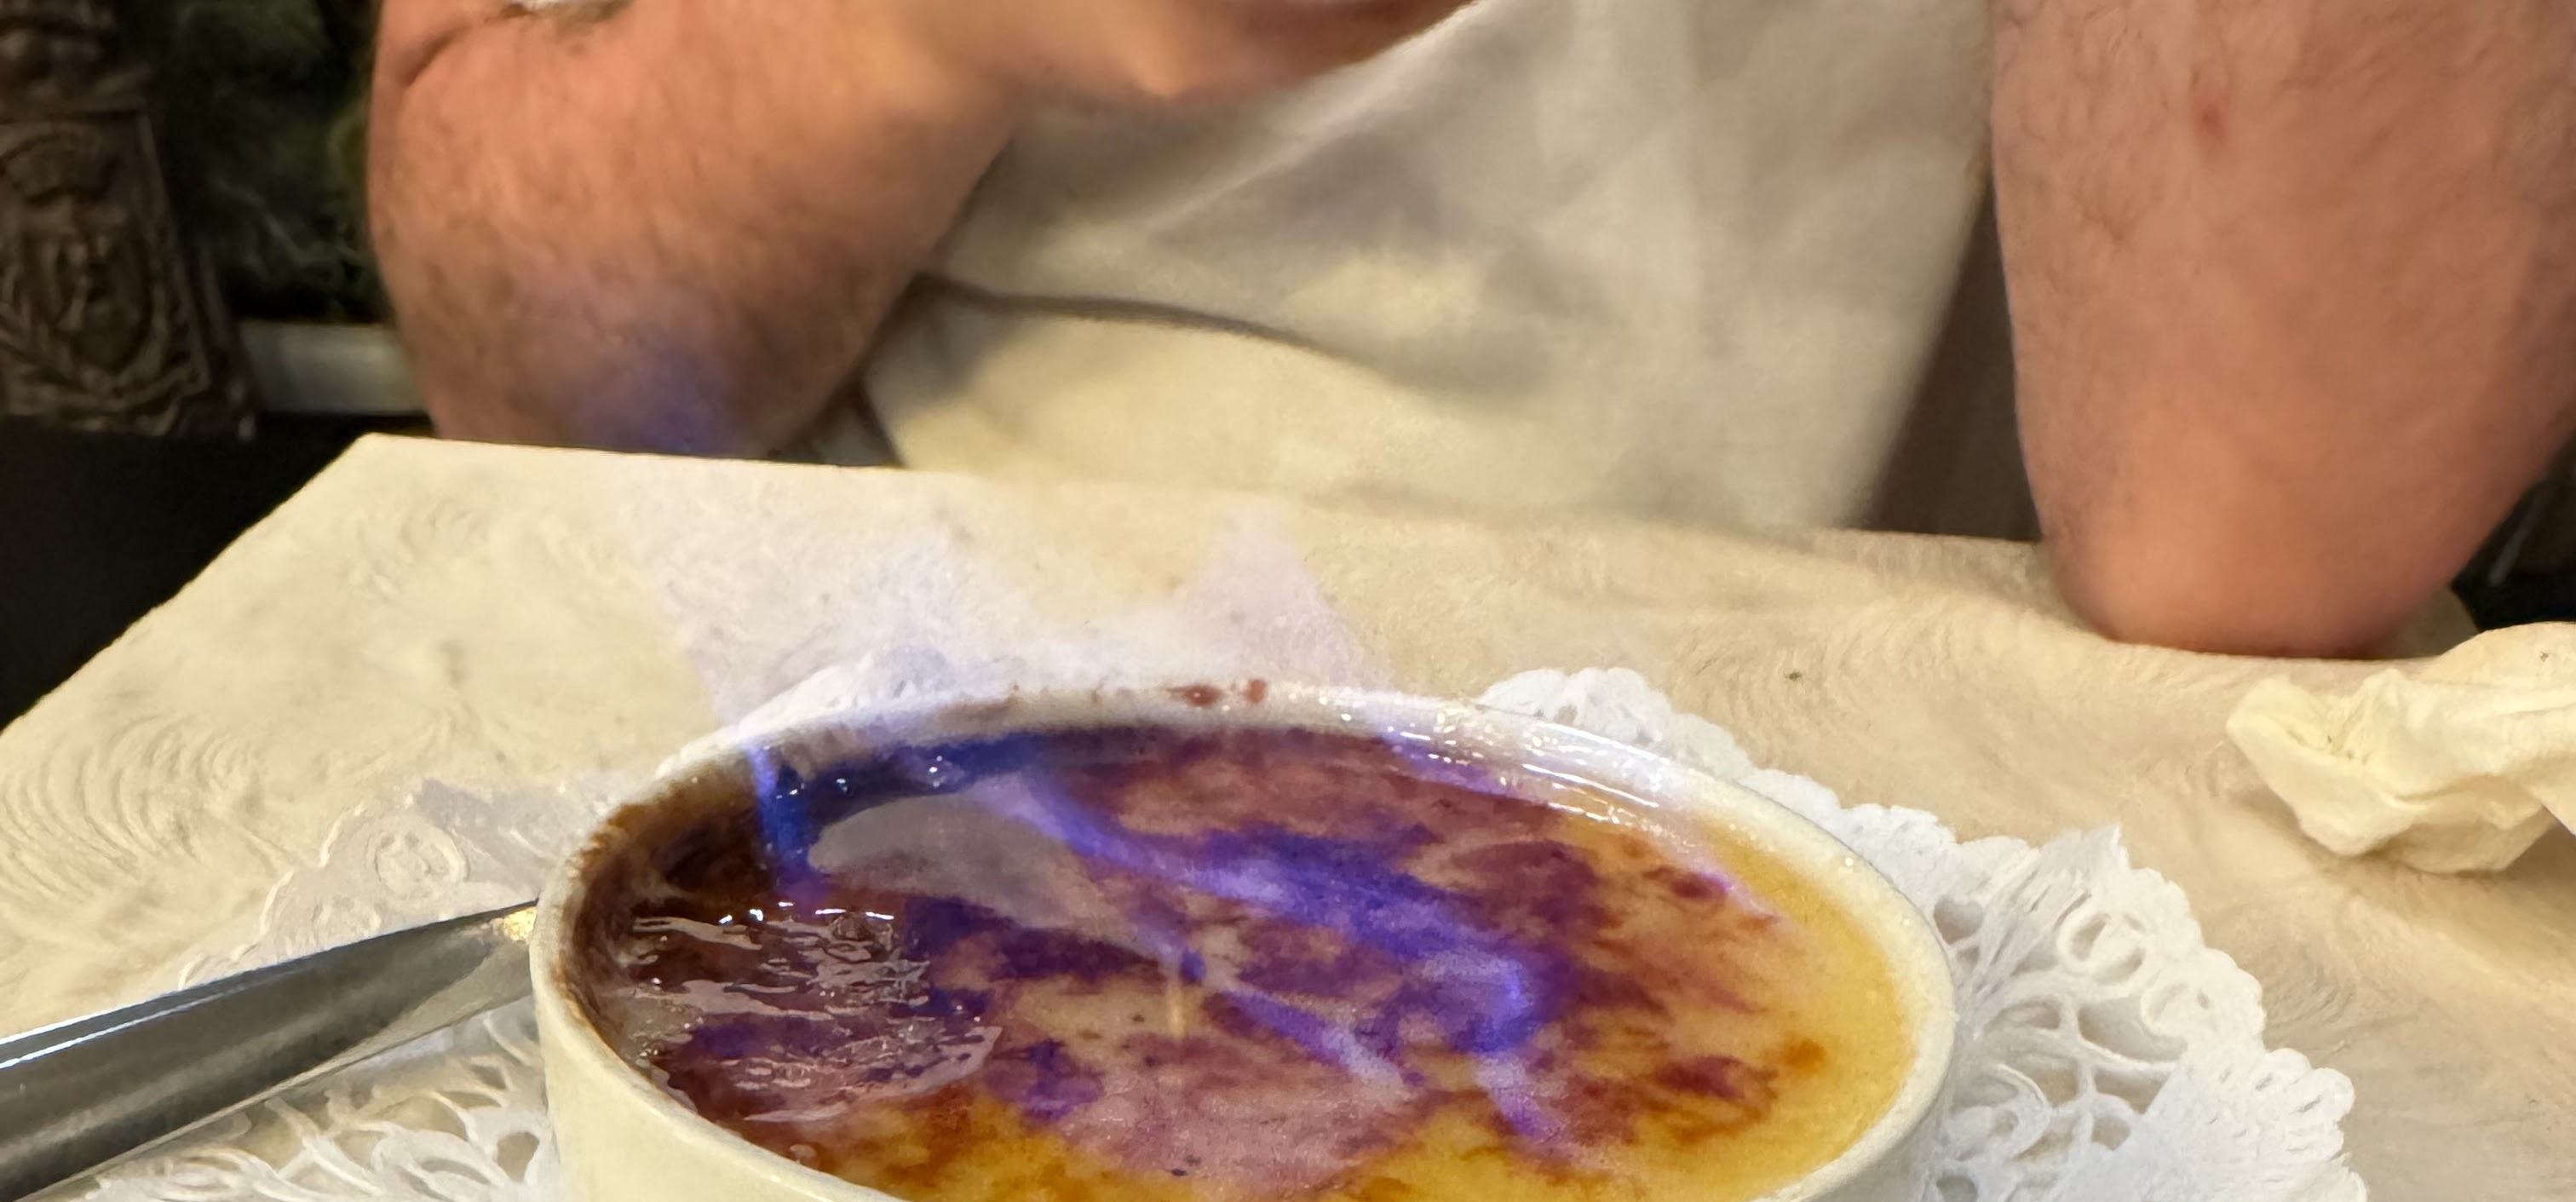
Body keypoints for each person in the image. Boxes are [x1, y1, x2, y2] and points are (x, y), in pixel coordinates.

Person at [367, 0, 2576, 659]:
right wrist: (909, 32)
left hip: (1917, 813)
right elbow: (513, 344)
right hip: (893, 724)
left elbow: (2256, 533)